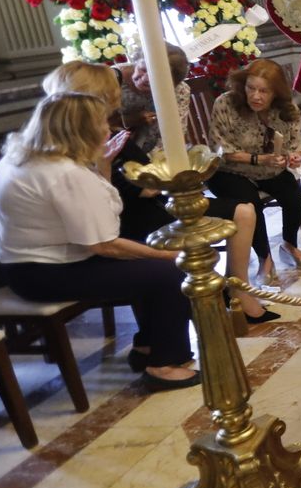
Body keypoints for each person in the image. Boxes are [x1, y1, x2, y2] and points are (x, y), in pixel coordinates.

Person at [0, 92, 199, 391]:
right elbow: (104, 244)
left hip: (21, 267)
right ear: (79, 130)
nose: (107, 128)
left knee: (147, 261)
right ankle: (164, 364)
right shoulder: (64, 173)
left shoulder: (21, 158)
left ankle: (147, 348)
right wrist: (168, 256)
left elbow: (97, 223)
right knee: (170, 272)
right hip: (45, 273)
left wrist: (102, 166)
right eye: (101, 122)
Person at [44, 60, 277, 326]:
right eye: (111, 95)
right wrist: (153, 182)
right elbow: (135, 191)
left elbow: (133, 180)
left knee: (244, 209)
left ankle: (236, 292)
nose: (117, 100)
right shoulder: (86, 139)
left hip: (148, 205)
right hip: (134, 217)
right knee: (235, 214)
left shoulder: (102, 131)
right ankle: (215, 312)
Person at [207, 59, 301, 283]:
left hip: (269, 169)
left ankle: (289, 245)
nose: (256, 96)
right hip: (229, 171)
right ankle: (265, 258)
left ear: (276, 93)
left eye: (264, 91)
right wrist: (259, 159)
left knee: (294, 197)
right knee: (250, 205)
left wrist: (295, 156)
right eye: (250, 88)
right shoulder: (225, 104)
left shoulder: (287, 109)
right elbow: (222, 151)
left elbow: (298, 143)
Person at [118, 42, 190, 156]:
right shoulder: (113, 78)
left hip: (156, 155)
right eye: (143, 69)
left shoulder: (179, 90)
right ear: (136, 62)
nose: (145, 79)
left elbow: (176, 131)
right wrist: (130, 120)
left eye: (155, 76)